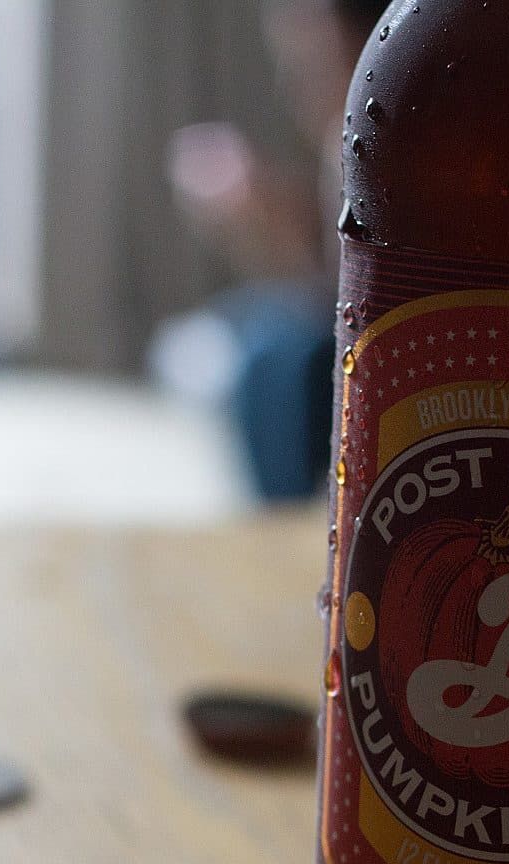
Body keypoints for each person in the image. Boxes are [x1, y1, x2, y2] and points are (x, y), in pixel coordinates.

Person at [163, 1, 382, 501]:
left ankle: (280, 520)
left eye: (304, 56)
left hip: (368, 353)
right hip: (344, 332)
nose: (290, 82)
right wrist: (257, 213)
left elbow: (354, 305)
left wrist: (263, 222)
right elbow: (334, 270)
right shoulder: (344, 138)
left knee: (272, 356)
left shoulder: (374, 140)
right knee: (223, 329)